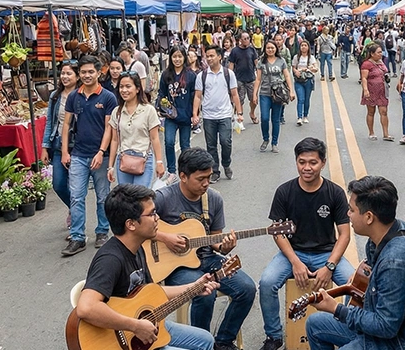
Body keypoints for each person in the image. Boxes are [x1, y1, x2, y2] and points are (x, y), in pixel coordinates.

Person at [74, 185, 217, 350]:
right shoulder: (110, 259)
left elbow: (151, 293)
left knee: (206, 340)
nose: (157, 218)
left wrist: (194, 288)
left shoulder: (139, 249)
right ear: (131, 224)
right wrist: (135, 326)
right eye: (152, 214)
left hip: (143, 329)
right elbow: (86, 307)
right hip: (124, 338)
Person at [304, 176, 405, 350]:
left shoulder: (396, 261)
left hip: (400, 341)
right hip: (385, 326)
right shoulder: (388, 233)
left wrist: (337, 309)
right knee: (315, 324)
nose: (347, 214)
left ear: (369, 217)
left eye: (351, 210)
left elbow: (386, 326)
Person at [258, 138, 355, 350]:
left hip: (326, 253)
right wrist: (295, 262)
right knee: (267, 282)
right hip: (293, 252)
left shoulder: (335, 192)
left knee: (355, 285)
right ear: (296, 162)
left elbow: (345, 235)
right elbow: (278, 233)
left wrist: (330, 266)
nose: (307, 168)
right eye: (302, 162)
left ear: (323, 163)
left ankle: (346, 332)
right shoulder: (284, 192)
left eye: (313, 162)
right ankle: (274, 336)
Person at [154, 149, 256, 350]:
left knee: (247, 288)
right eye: (200, 179)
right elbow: (135, 223)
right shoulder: (163, 198)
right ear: (183, 176)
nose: (206, 183)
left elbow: (215, 239)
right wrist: (165, 237)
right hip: (176, 267)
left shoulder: (214, 199)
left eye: (209, 177)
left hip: (208, 259)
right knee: (204, 292)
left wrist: (225, 246)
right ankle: (199, 343)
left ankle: (223, 341)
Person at [61, 56, 120, 256]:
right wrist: (64, 151)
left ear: (98, 73)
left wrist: (101, 152)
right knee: (76, 196)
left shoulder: (107, 97)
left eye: (90, 72)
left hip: (100, 157)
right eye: (83, 72)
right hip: (78, 154)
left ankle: (102, 232)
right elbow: (67, 125)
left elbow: (109, 129)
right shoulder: (73, 97)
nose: (87, 75)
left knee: (103, 196)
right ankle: (77, 237)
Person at [194, 45, 243, 184]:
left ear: (219, 57)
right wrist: (195, 114)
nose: (209, 58)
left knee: (225, 142)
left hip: (225, 114)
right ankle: (214, 170)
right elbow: (198, 96)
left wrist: (239, 113)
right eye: (207, 56)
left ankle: (226, 164)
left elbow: (234, 94)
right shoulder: (202, 76)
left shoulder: (228, 74)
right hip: (208, 116)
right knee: (211, 145)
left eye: (212, 56)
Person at [107, 72, 165, 187]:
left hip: (144, 159)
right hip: (123, 160)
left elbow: (154, 138)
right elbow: (114, 140)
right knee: (126, 199)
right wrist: (111, 166)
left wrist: (159, 162)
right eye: (121, 87)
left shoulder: (149, 110)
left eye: (128, 86)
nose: (124, 90)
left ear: (138, 89)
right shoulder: (116, 112)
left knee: (140, 198)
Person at [41, 60, 79, 218]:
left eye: (69, 73)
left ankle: (77, 219)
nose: (65, 76)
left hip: (78, 145)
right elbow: (50, 121)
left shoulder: (82, 95)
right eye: (63, 73)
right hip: (57, 144)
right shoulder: (55, 96)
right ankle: (76, 210)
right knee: (58, 184)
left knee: (77, 187)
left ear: (77, 76)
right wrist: (44, 147)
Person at [157, 48, 196, 175]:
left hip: (185, 115)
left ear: (184, 57)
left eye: (180, 56)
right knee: (169, 142)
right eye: (174, 56)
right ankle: (172, 171)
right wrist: (161, 105)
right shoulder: (166, 74)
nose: (177, 59)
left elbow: (194, 96)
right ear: (170, 58)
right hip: (170, 115)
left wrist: (194, 114)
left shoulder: (191, 75)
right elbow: (162, 93)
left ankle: (185, 171)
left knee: (185, 145)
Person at [255, 40, 295, 153]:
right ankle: (265, 139)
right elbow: (258, 79)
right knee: (264, 118)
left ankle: (274, 143)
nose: (270, 50)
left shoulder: (281, 61)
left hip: (278, 94)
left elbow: (287, 76)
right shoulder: (261, 62)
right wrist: (254, 94)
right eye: (268, 48)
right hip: (264, 93)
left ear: (276, 49)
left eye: (272, 48)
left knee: (275, 120)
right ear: (265, 49)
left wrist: (291, 91)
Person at [360, 43, 392, 141]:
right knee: (371, 112)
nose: (380, 54)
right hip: (371, 90)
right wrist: (365, 90)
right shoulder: (367, 64)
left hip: (382, 91)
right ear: (372, 54)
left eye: (381, 52)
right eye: (378, 52)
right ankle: (371, 132)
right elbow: (364, 78)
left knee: (384, 111)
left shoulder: (381, 62)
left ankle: (386, 134)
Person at [228, 33, 259, 124]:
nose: (246, 40)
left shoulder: (252, 50)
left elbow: (256, 63)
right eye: (244, 38)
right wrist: (229, 77)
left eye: (247, 38)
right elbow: (231, 65)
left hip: (251, 79)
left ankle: (252, 113)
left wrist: (259, 75)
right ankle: (239, 117)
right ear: (240, 40)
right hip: (239, 79)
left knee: (254, 100)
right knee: (239, 100)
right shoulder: (235, 51)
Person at [291, 40, 318, 126]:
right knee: (300, 99)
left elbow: (316, 68)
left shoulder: (311, 58)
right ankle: (299, 117)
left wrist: (310, 68)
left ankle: (305, 116)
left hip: (308, 80)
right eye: (302, 45)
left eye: (305, 45)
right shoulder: (296, 57)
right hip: (299, 81)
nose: (303, 47)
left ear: (308, 47)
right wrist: (296, 72)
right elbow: (293, 67)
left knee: (307, 99)